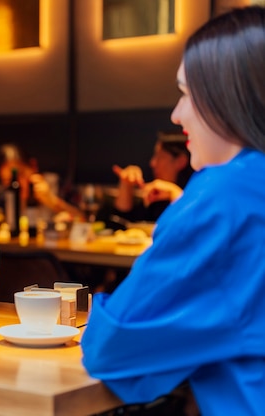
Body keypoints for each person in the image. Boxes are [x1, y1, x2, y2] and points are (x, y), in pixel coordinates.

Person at [81, 6, 265, 415]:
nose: (176, 114)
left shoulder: (223, 196)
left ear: (228, 95)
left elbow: (110, 349)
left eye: (186, 93)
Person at [111, 131, 192, 223]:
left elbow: (194, 227)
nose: (152, 163)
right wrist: (126, 184)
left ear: (181, 161)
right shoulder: (155, 196)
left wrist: (174, 192)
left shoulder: (198, 191)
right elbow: (121, 224)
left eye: (160, 157)